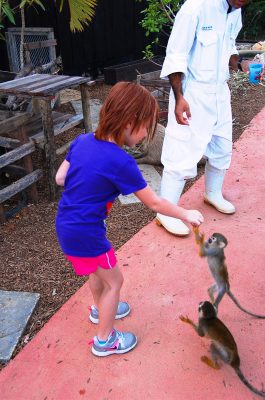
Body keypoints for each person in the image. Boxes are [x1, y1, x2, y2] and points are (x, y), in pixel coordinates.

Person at [55, 82, 204, 357]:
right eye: (146, 126)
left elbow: (60, 178)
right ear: (129, 122)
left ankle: (99, 309)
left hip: (66, 224)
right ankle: (105, 340)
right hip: (87, 232)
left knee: (95, 270)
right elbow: (154, 202)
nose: (147, 132)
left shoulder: (83, 141)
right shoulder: (120, 162)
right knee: (114, 282)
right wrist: (186, 214)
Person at [156, 0, 249, 236]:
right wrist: (179, 98)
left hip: (219, 91)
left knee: (222, 146)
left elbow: (229, 47)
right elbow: (176, 55)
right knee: (182, 150)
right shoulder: (195, 8)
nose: (243, 2)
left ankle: (212, 193)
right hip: (192, 92)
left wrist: (241, 64)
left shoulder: (235, 11)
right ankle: (166, 210)